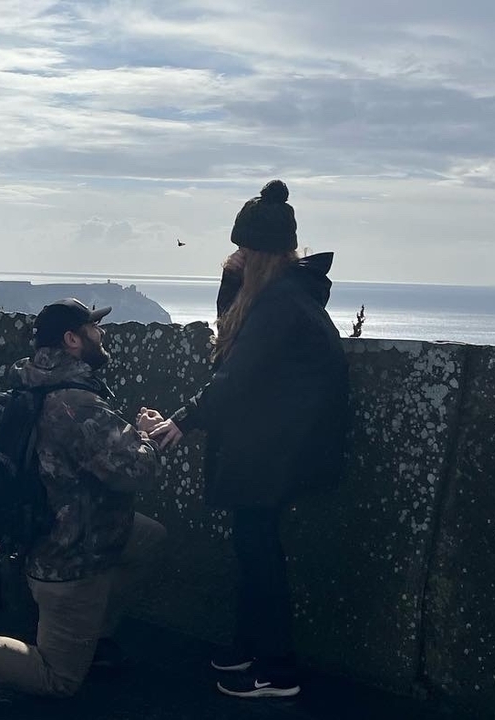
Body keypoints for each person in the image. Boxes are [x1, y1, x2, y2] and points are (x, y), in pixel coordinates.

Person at [148, 180, 349, 699]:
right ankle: (249, 648)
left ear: (259, 252)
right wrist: (229, 281)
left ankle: (278, 670)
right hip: (277, 442)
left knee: (259, 553)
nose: (234, 255)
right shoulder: (283, 294)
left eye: (242, 248)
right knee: (252, 546)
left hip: (280, 448)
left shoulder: (281, 303)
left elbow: (235, 372)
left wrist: (183, 420)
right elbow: (230, 342)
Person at [0, 299, 167, 700]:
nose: (102, 334)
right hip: (71, 557)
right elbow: (138, 471)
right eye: (93, 328)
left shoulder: (29, 383)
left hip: (42, 535)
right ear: (72, 339)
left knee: (149, 538)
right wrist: (147, 433)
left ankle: (91, 635)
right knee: (58, 679)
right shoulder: (77, 404)